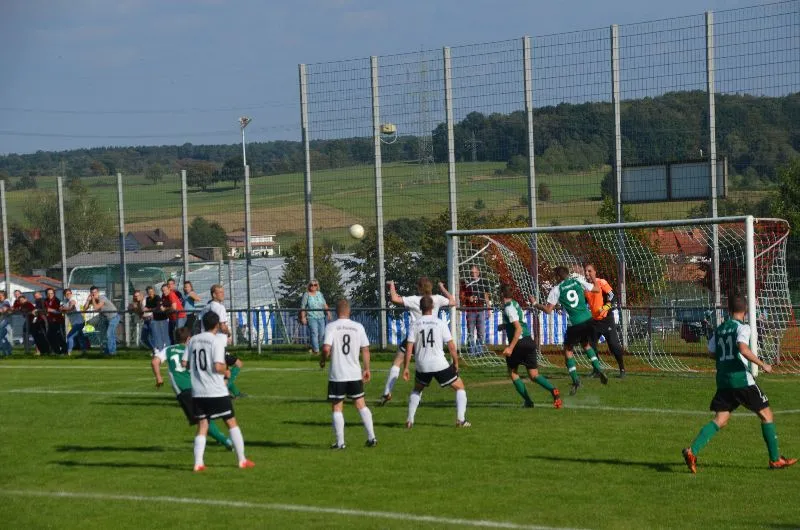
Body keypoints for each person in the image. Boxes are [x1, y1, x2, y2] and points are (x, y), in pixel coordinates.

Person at [682, 292, 796, 473]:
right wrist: (763, 364)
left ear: (728, 309)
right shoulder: (743, 328)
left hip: (723, 381)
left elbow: (711, 352)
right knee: (766, 415)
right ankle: (775, 460)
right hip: (741, 380)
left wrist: (724, 359)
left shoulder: (720, 329)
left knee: (721, 419)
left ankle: (692, 451)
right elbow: (743, 348)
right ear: (746, 310)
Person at [182, 311, 254, 472]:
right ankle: (242, 460)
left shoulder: (193, 340)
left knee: (202, 425)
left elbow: (185, 363)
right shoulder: (216, 341)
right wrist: (226, 372)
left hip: (198, 391)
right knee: (231, 422)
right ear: (216, 325)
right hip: (216, 390)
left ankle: (198, 463)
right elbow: (218, 366)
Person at [151, 326, 232, 450]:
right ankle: (221, 438)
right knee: (205, 416)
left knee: (201, 420)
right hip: (200, 386)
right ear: (189, 338)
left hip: (184, 390)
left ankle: (226, 441)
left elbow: (155, 362)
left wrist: (158, 377)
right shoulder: (192, 349)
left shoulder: (169, 349)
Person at [380, 277, 456, 406]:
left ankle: (387, 391)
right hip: (431, 339)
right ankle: (418, 397)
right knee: (422, 367)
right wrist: (442, 288)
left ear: (420, 288)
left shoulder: (414, 300)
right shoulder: (437, 298)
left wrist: (392, 285)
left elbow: (394, 299)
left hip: (415, 337)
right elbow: (453, 301)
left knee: (397, 362)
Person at [533, 266, 607, 395]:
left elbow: (548, 310)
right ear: (567, 274)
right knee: (586, 344)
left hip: (575, 323)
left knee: (568, 350)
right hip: (588, 319)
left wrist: (535, 304)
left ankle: (575, 380)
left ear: (558, 276)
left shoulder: (557, 289)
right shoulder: (577, 281)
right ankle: (598, 368)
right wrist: (594, 278)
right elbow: (596, 289)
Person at [402, 295, 471, 428]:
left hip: (422, 364)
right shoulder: (440, 323)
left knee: (417, 389)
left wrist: (405, 368)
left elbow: (409, 347)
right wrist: (456, 362)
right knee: (460, 387)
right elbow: (451, 346)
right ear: (432, 307)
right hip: (439, 364)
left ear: (420, 308)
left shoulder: (415, 324)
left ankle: (410, 420)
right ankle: (461, 420)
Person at [319, 299, 377, 449]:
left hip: (338, 374)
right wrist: (367, 369)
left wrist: (323, 360)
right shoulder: (358, 327)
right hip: (354, 373)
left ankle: (340, 443)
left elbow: (326, 348)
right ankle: (372, 437)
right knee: (361, 405)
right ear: (349, 311)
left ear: (336, 312)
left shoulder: (331, 326)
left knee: (337, 407)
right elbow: (365, 349)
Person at [500, 284, 562, 408]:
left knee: (513, 373)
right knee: (534, 375)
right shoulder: (515, 304)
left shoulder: (508, 308)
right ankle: (553, 389)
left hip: (518, 343)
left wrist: (510, 348)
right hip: (529, 341)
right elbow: (518, 322)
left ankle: (528, 402)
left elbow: (518, 329)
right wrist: (504, 326)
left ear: (501, 294)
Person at [200, 284, 245, 398]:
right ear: (214, 295)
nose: (223, 294)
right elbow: (222, 326)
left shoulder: (206, 307)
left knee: (224, 370)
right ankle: (222, 390)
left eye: (223, 292)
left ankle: (236, 393)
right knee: (238, 364)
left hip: (207, 342)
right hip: (218, 344)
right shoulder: (219, 308)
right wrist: (229, 334)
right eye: (220, 292)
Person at [583, 263, 625, 378]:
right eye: (585, 271)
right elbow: (584, 302)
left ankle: (622, 369)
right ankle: (596, 370)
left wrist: (607, 306)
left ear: (595, 272)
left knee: (613, 345)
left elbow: (612, 296)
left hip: (606, 320)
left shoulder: (602, 282)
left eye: (589, 271)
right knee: (590, 346)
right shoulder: (585, 287)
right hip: (594, 321)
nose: (587, 273)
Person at [461, 265, 491, 353]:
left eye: (475, 272)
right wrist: (468, 298)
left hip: (481, 310)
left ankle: (479, 351)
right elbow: (461, 297)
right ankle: (471, 352)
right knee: (470, 332)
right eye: (472, 272)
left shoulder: (483, 282)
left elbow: (486, 296)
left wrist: (489, 309)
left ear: (478, 273)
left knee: (481, 332)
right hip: (470, 310)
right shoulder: (466, 283)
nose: (473, 274)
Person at [83, 286, 120, 355]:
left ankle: (111, 352)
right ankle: (110, 351)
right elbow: (84, 309)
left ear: (98, 292)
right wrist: (88, 300)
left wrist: (92, 299)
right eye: (92, 293)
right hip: (105, 318)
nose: (94, 294)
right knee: (108, 335)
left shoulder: (102, 298)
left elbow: (96, 308)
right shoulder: (93, 300)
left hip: (113, 317)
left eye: (95, 292)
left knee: (109, 334)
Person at [299, 279, 331, 356]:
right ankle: (316, 351)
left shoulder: (320, 294)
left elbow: (324, 304)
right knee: (314, 333)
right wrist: (303, 317)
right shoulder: (306, 295)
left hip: (321, 317)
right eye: (311, 285)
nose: (313, 286)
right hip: (311, 317)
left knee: (322, 334)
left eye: (315, 285)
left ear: (317, 286)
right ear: (309, 286)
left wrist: (328, 313)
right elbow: (303, 307)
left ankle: (314, 347)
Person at [61, 288, 88, 355]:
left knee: (69, 336)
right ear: (64, 295)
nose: (68, 295)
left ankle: (68, 352)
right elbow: (61, 309)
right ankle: (84, 351)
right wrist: (63, 309)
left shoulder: (73, 299)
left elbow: (71, 308)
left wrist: (64, 309)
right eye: (66, 294)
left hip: (79, 322)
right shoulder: (64, 301)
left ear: (71, 294)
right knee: (80, 337)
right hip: (74, 323)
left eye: (69, 293)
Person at [147, 286, 169, 357]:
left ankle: (166, 351)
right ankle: (159, 350)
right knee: (156, 335)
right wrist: (148, 309)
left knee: (164, 335)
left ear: (154, 291)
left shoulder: (157, 297)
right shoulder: (148, 299)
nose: (150, 293)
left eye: (151, 291)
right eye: (149, 292)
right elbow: (147, 307)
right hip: (155, 319)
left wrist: (150, 309)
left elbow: (158, 307)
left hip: (162, 318)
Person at [43, 288, 67, 355]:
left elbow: (60, 311)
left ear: (54, 294)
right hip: (50, 321)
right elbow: (45, 309)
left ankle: (64, 351)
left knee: (60, 337)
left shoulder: (57, 301)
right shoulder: (45, 300)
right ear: (46, 294)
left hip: (58, 321)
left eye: (51, 293)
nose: (50, 295)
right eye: (48, 293)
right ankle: (57, 351)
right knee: (49, 336)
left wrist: (51, 310)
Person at [0, 290, 12, 356]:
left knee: (2, 337)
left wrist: (2, 310)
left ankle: (7, 352)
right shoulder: (1, 302)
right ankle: (7, 352)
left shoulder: (6, 301)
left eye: (0, 295)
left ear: (3, 295)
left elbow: (4, 310)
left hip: (6, 322)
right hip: (2, 321)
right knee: (3, 338)